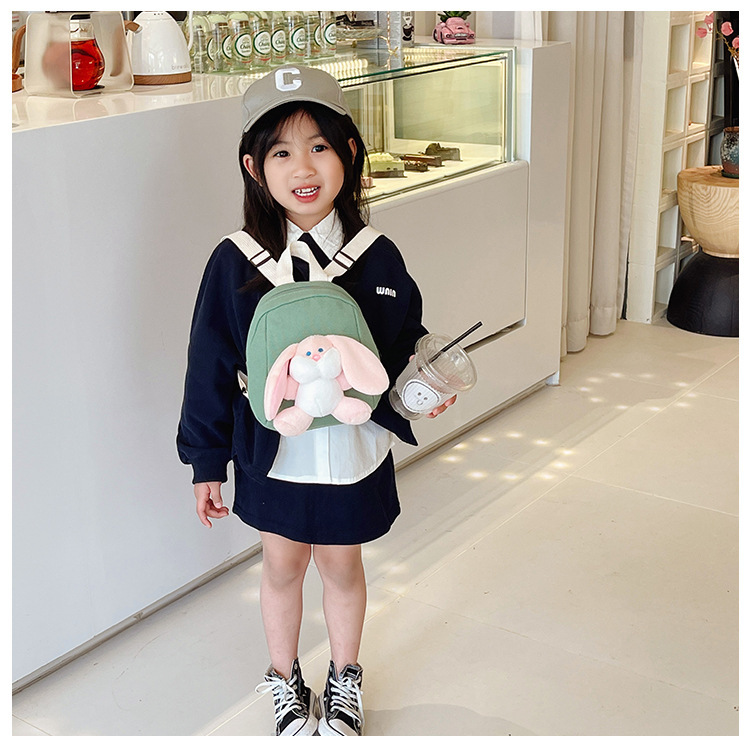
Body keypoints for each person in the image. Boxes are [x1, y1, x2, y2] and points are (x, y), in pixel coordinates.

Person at [177, 65, 455, 737]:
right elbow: (209, 363)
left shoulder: (376, 255)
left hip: (353, 450)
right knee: (281, 567)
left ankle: (345, 676)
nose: (303, 168)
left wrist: (422, 385)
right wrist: (206, 460)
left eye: (320, 146)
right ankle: (283, 678)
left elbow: (403, 342)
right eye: (280, 152)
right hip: (273, 454)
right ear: (253, 167)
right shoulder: (234, 260)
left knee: (342, 565)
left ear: (350, 152)